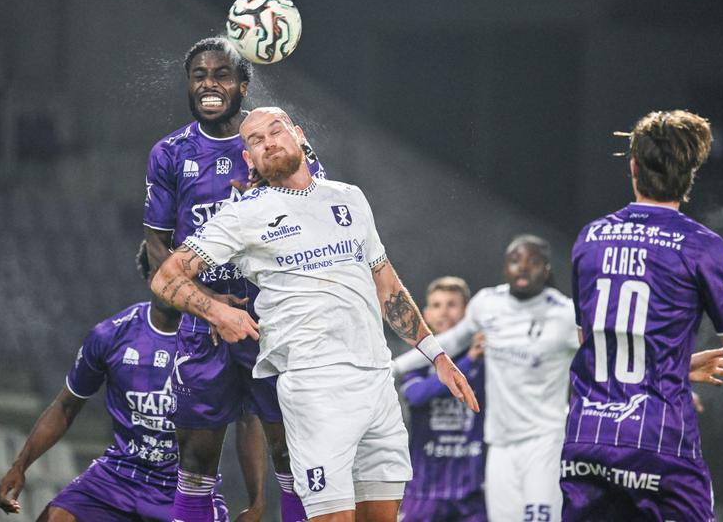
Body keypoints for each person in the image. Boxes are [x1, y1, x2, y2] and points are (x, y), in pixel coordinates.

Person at [150, 106, 479, 521]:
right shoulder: (244, 213)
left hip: (377, 382)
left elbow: (387, 287)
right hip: (314, 387)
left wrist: (438, 355)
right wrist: (216, 311)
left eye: (276, 130)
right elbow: (166, 277)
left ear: (299, 136)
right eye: (255, 140)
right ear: (249, 159)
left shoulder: (350, 199)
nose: (269, 141)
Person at [143, 38, 325, 522]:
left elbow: (319, 213)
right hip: (204, 328)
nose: (209, 84)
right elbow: (157, 249)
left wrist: (270, 195)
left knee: (292, 457)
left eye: (221, 75)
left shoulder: (276, 142)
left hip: (275, 324)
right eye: (199, 75)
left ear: (243, 86)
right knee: (197, 463)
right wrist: (204, 303)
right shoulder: (168, 153)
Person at [561, 110, 723, 520]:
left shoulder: (591, 237)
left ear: (633, 166)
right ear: (691, 173)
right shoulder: (700, 245)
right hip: (660, 442)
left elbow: (596, 348)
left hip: (587, 438)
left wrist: (676, 366)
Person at [0, 242, 228, 521]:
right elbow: (66, 407)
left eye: (182, 274)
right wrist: (20, 465)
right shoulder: (111, 335)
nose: (174, 282)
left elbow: (250, 417)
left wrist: (257, 502)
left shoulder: (217, 340)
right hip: (119, 476)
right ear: (150, 276)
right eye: (165, 272)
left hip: (185, 486)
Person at [393, 235, 578, 521]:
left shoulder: (564, 313)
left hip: (542, 441)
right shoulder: (488, 305)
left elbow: (596, 356)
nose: (523, 268)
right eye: (515, 261)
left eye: (533, 262)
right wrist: (389, 368)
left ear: (546, 269)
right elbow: (447, 347)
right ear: (505, 267)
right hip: (497, 446)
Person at [398, 277, 487, 522]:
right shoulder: (417, 359)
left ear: (467, 313)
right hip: (424, 491)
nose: (444, 312)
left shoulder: (487, 358)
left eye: (451, 304)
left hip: (471, 492)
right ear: (425, 314)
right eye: (436, 306)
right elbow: (415, 396)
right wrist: (468, 362)